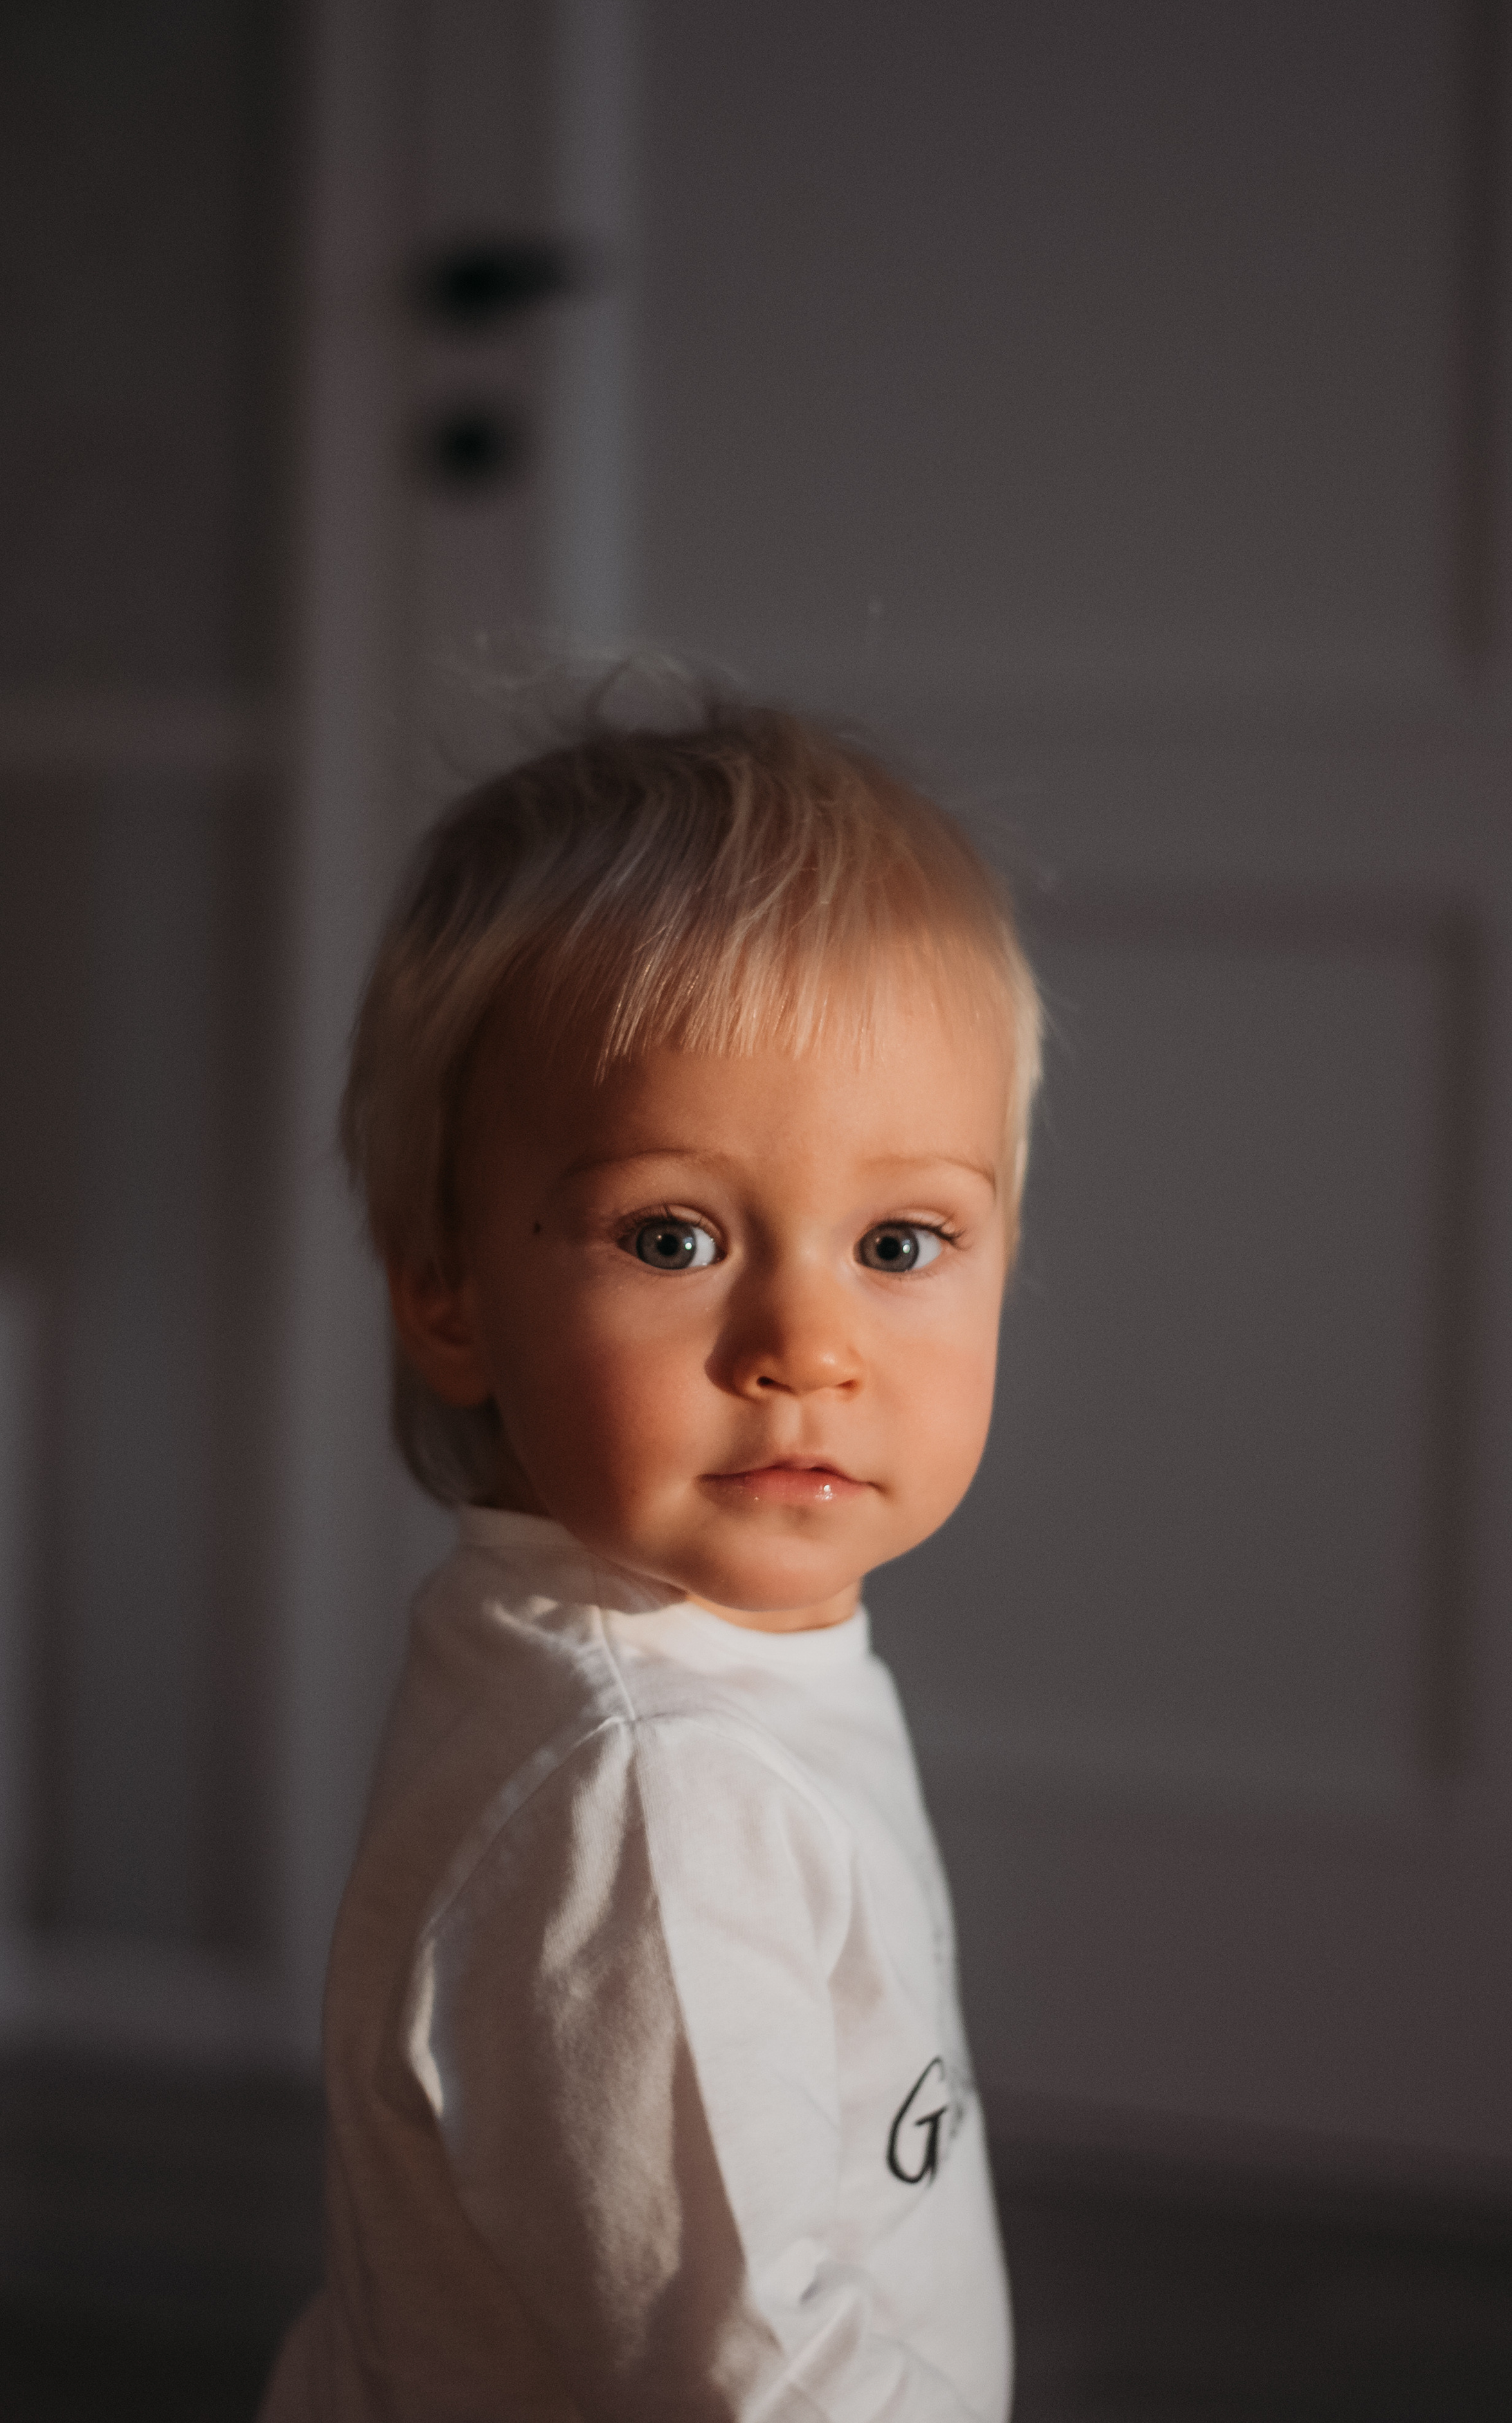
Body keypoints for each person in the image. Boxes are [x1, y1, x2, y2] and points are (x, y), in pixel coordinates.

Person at [260, 681, 1043, 2422]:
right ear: (448, 1289)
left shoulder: (637, 1671)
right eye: (675, 1231)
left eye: (903, 1237)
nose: (806, 1340)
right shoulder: (660, 1795)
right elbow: (752, 2371)